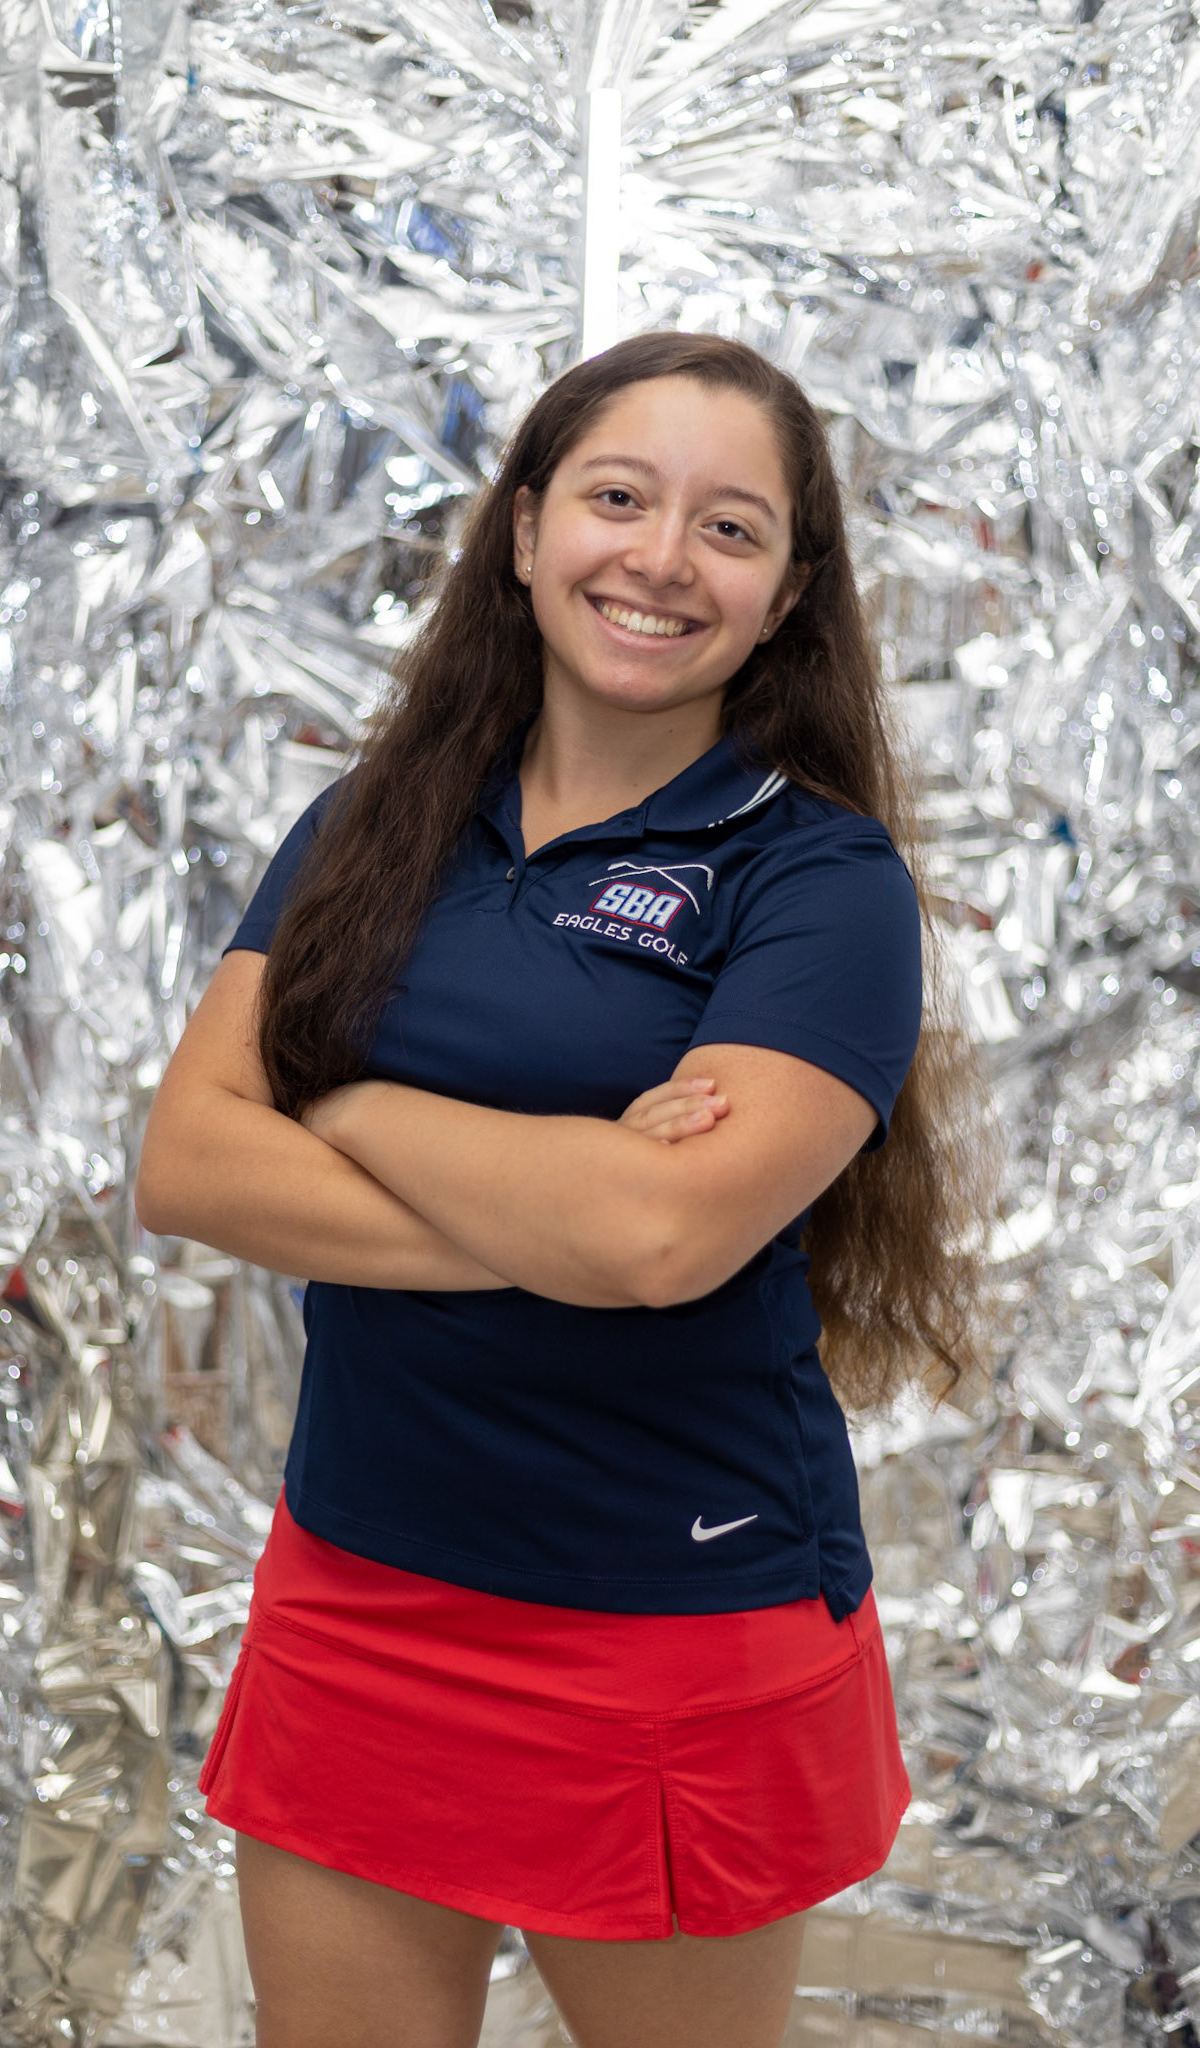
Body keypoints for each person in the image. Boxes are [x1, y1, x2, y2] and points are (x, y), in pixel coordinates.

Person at [135, 330, 992, 2048]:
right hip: (362, 1583)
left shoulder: (817, 882)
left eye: (728, 527)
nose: (661, 558)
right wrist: (565, 1213)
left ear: (784, 593)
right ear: (524, 530)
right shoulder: (374, 823)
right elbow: (189, 1160)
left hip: (669, 1621)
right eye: (616, 497)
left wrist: (349, 1095)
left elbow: (664, 1235)